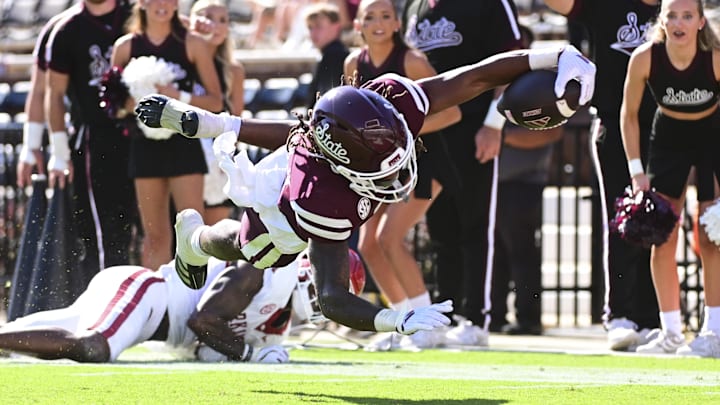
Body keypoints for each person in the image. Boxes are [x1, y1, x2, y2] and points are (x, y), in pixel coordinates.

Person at [134, 42, 596, 337]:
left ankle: (210, 141)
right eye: (380, 168)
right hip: (286, 199)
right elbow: (332, 296)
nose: (394, 177)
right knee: (257, 249)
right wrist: (396, 319)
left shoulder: (393, 104)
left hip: (308, 143)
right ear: (344, 164)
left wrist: (551, 57)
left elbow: (474, 76)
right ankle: (194, 239)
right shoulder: (322, 195)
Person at [401, 0, 524, 346]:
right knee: (440, 230)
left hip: (473, 130)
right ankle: (446, 315)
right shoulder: (413, 6)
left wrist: (494, 124)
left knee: (475, 225)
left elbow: (512, 64)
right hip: (428, 137)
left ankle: (476, 319)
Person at [542, 0, 662, 351]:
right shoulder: (606, 5)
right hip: (614, 123)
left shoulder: (678, 9)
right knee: (622, 219)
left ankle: (657, 317)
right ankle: (622, 315)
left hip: (670, 129)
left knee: (662, 222)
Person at [343, 0, 461, 350]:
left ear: (397, 23)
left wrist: (400, 132)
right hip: (379, 168)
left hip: (424, 162)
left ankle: (431, 324)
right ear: (358, 25)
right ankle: (402, 324)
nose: (377, 23)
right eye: (369, 17)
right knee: (368, 245)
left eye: (385, 16)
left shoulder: (411, 60)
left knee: (390, 239)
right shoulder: (354, 63)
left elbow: (451, 113)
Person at [0, 251, 350, 363]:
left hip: (147, 314)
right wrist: (247, 353)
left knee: (15, 339)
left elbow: (205, 353)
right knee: (94, 347)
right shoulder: (266, 272)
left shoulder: (277, 326)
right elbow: (203, 319)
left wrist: (240, 352)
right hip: (148, 295)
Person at [620, 0, 720, 357]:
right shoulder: (646, 58)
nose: (679, 23)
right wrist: (636, 172)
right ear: (661, 20)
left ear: (700, 21)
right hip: (668, 141)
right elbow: (628, 115)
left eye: (687, 16)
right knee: (661, 237)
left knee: (712, 234)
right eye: (672, 16)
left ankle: (714, 331)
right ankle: (672, 332)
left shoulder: (715, 57)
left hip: (712, 137)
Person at [110, 0, 224, 270]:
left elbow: (216, 101)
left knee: (192, 233)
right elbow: (112, 104)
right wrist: (130, 102)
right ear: (142, 3)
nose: (162, 4)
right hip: (144, 148)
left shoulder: (192, 43)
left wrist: (177, 97)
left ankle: (198, 302)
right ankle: (157, 306)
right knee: (155, 236)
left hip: (184, 145)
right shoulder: (125, 47)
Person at [44, 0, 138, 282]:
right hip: (95, 140)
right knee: (102, 232)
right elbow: (54, 94)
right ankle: (106, 309)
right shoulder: (66, 30)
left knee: (154, 229)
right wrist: (59, 153)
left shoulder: (137, 15)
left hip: (145, 136)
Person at [490, 25, 563, 336]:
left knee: (522, 253)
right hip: (492, 181)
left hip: (523, 180)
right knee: (494, 254)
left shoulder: (537, 84)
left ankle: (529, 318)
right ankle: (490, 315)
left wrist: (499, 136)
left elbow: (553, 131)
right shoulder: (491, 80)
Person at [189, 0, 247, 225]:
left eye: (222, 20)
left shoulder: (233, 69)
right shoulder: (183, 60)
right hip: (183, 153)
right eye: (207, 17)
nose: (215, 25)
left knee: (213, 234)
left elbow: (237, 118)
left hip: (216, 155)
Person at [305, 2, 350, 106]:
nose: (313, 32)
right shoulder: (329, 54)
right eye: (310, 27)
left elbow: (328, 101)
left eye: (319, 26)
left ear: (336, 27)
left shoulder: (334, 55)